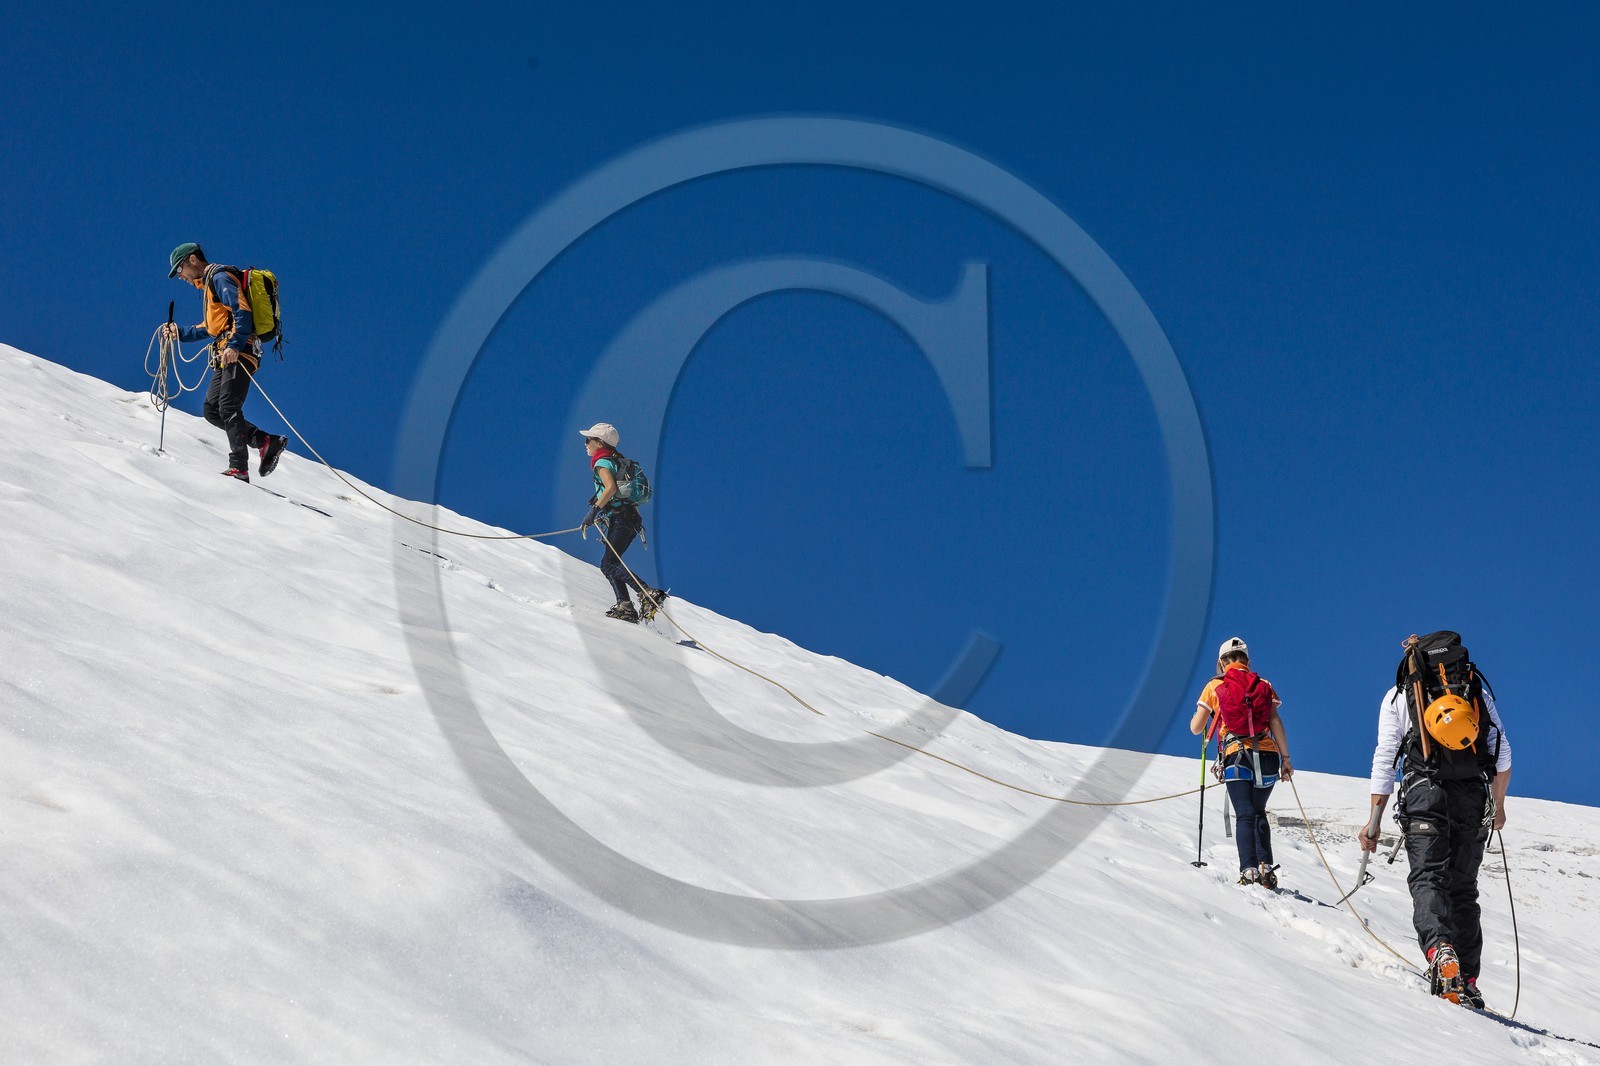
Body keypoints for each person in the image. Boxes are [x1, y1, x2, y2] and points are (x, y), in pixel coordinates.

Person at [1358, 631, 1511, 1009]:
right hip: (1472, 797)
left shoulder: (1398, 695)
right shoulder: (1473, 689)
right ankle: (1468, 980)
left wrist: (1373, 823)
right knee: (1464, 889)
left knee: (1429, 877)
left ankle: (1440, 951)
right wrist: (1498, 806)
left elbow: (1385, 759)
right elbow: (1502, 752)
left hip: (1423, 792)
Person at [161, 242, 287, 482]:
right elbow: (212, 327)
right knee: (212, 410)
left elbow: (242, 312)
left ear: (192, 260)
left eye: (179, 269)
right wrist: (180, 333)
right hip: (228, 351)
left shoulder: (219, 277)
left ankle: (239, 468)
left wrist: (235, 345)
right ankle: (265, 441)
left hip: (239, 350)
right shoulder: (210, 284)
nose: (180, 276)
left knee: (228, 406)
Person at [1190, 637, 1294, 887]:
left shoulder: (1214, 685)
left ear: (1221, 662)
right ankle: (1266, 868)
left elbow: (1196, 728)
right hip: (1267, 756)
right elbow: (1275, 721)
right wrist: (1286, 759)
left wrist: (1199, 715)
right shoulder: (1264, 684)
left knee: (1245, 814)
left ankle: (1248, 870)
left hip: (1236, 756)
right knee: (1259, 811)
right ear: (1247, 661)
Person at [578, 423, 666, 623]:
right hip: (630, 520)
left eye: (588, 439)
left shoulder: (601, 463)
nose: (585, 444)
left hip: (621, 519)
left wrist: (593, 511)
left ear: (600, 443)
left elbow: (610, 488)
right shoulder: (617, 461)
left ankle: (646, 592)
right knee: (609, 564)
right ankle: (625, 606)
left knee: (609, 564)